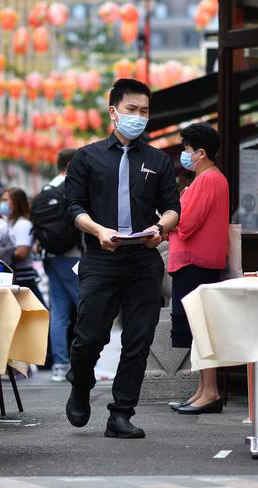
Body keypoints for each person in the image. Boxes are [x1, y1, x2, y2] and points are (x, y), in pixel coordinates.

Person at [64, 78, 181, 438]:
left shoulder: (158, 160)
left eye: (144, 111)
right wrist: (99, 231)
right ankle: (81, 383)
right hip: (101, 257)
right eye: (132, 110)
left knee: (138, 339)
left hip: (143, 259)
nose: (138, 117)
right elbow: (73, 207)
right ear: (114, 112)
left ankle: (121, 413)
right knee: (89, 336)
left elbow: (173, 208)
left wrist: (160, 230)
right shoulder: (86, 157)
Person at [166, 123, 229, 415]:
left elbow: (186, 223)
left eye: (187, 150)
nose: (184, 155)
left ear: (201, 153)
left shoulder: (208, 180)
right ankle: (204, 390)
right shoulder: (208, 179)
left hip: (196, 263)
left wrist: (167, 222)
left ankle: (211, 392)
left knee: (202, 329)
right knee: (198, 329)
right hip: (194, 263)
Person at [41, 149, 81, 382]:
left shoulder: (47, 189)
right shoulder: (72, 187)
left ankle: (59, 364)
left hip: (51, 257)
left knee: (58, 312)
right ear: (70, 164)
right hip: (73, 256)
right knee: (86, 307)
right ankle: (84, 362)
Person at [0, 187, 46, 305]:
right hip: (15, 277)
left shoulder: (23, 224)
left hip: (23, 278)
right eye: (2, 200)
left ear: (16, 203)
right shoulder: (9, 223)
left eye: (6, 200)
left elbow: (22, 252)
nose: (2, 204)